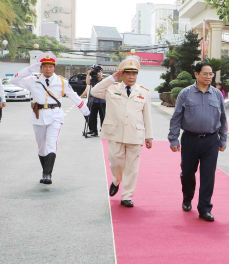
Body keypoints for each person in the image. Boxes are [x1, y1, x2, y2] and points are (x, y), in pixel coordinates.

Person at [10, 53, 90, 184]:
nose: (48, 69)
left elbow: (75, 97)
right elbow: (14, 80)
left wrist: (87, 113)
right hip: (38, 116)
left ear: (54, 67)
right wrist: (31, 68)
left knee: (51, 143)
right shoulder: (32, 80)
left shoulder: (61, 82)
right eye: (45, 66)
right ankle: (44, 171)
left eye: (50, 66)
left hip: (55, 115)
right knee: (41, 147)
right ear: (41, 67)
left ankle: (48, 174)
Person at [168, 62, 227, 222]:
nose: (209, 77)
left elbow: (223, 118)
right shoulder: (185, 93)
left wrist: (223, 139)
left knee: (208, 175)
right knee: (187, 173)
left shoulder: (217, 94)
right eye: (205, 74)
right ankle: (187, 198)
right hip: (190, 140)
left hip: (211, 141)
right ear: (196, 74)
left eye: (211, 74)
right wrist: (173, 138)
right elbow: (176, 117)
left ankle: (204, 208)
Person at [91, 58, 152, 207]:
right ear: (122, 74)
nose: (131, 77)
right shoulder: (112, 88)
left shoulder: (143, 92)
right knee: (116, 161)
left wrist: (149, 136)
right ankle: (116, 179)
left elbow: (147, 115)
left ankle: (126, 196)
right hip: (115, 132)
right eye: (128, 74)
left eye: (134, 74)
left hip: (135, 134)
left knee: (132, 167)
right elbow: (94, 91)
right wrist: (112, 78)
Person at [81, 65, 106, 137]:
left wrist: (100, 76)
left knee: (103, 117)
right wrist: (89, 74)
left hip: (102, 101)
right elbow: (88, 83)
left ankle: (104, 131)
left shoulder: (104, 80)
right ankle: (94, 131)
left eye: (99, 72)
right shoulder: (93, 80)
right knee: (93, 116)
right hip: (93, 101)